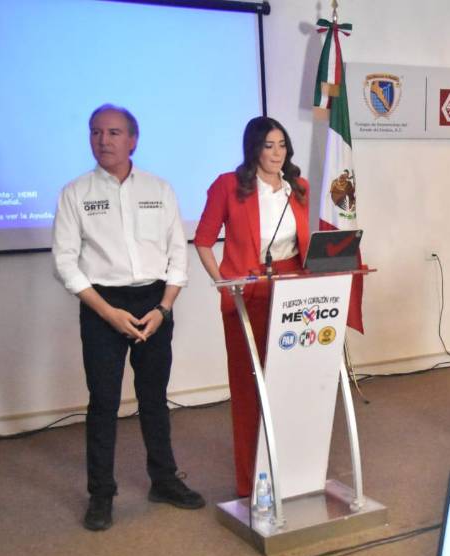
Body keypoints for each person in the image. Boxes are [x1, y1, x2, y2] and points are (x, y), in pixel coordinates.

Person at [52, 104, 205, 532]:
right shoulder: (75, 193)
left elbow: (177, 255)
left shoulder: (160, 188)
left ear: (133, 139)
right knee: (103, 403)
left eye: (114, 132)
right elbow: (64, 262)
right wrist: (107, 313)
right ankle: (101, 494)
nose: (103, 140)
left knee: (154, 397)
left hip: (155, 304)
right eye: (96, 132)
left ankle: (164, 480)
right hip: (102, 305)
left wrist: (163, 308)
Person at [193, 116, 311, 498]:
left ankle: (292, 473)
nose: (277, 154)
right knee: (249, 389)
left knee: (290, 384)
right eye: (268, 146)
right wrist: (223, 283)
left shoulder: (300, 188)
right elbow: (203, 241)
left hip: (293, 292)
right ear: (253, 149)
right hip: (247, 295)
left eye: (282, 145)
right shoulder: (229, 186)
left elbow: (310, 240)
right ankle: (251, 481)